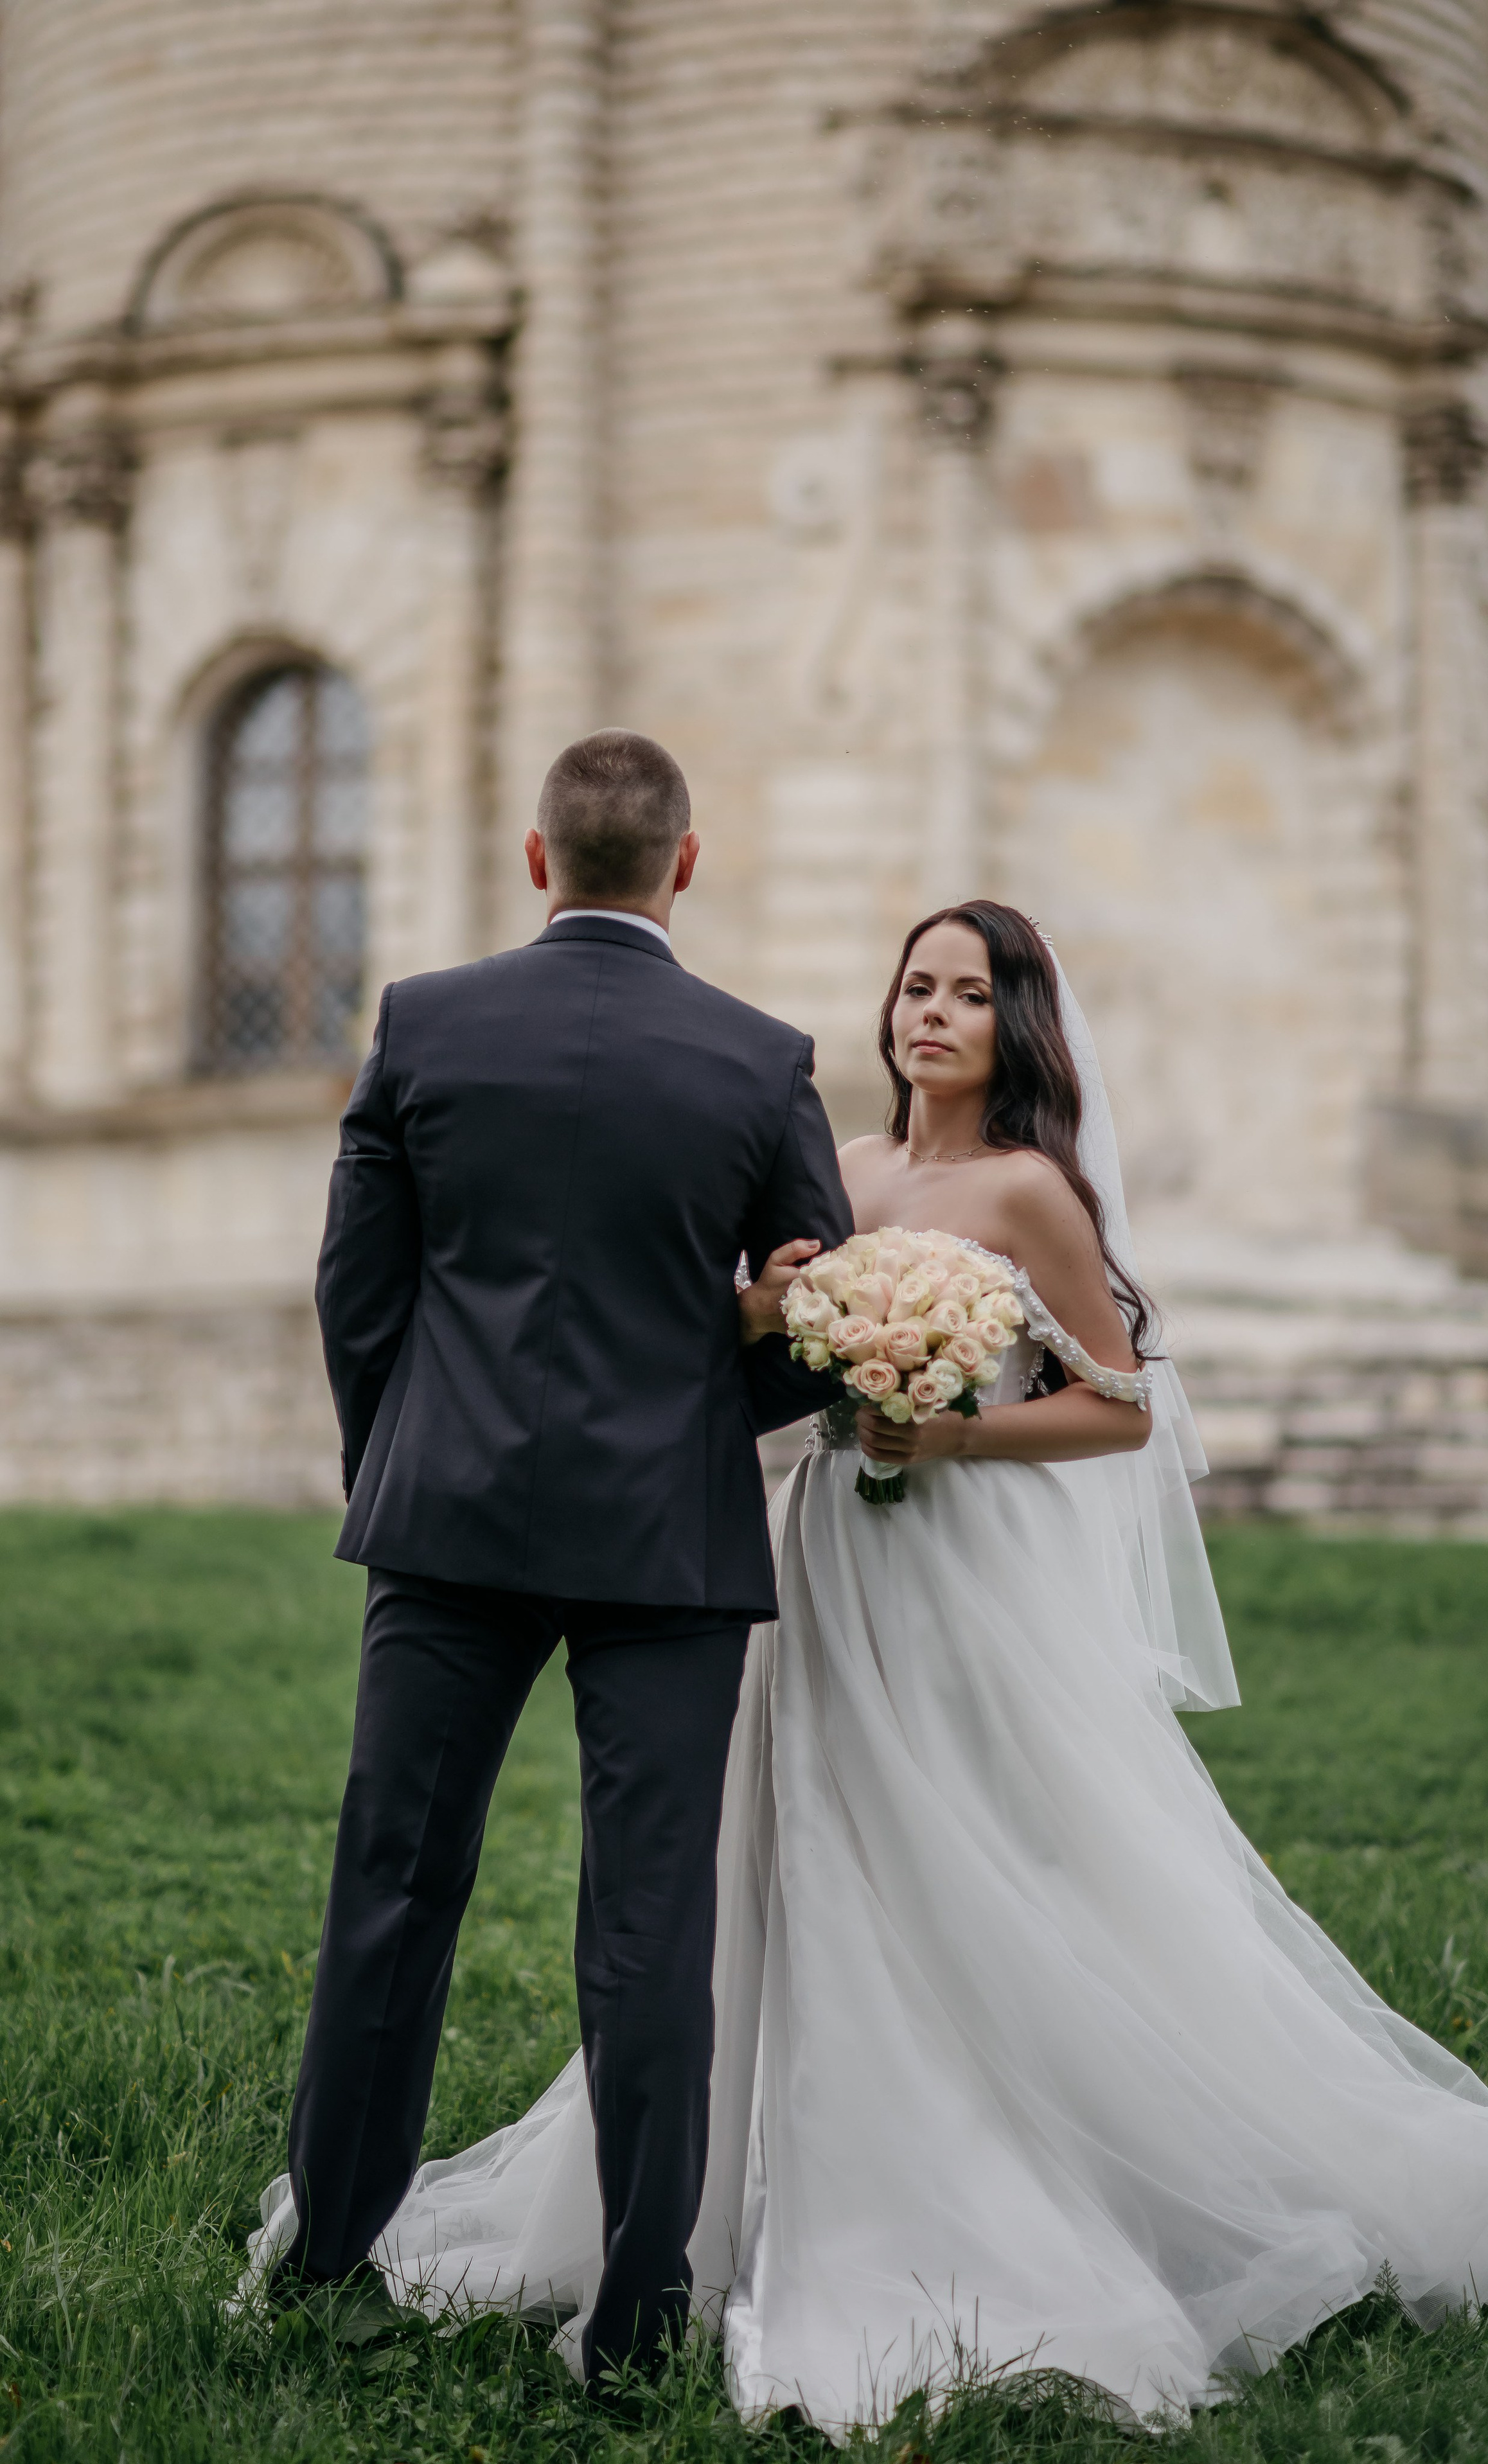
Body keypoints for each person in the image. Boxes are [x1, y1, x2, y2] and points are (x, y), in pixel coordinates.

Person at [248, 898, 1488, 2430]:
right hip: (821, 1548)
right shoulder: (848, 1166)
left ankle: (996, 2165)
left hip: (958, 1569)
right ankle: (740, 2188)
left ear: (1017, 1025)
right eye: (913, 986)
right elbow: (765, 1354)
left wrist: (947, 1426)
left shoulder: (1030, 1194)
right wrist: (773, 1323)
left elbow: (1123, 1407)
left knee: (963, 1851)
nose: (927, 1014)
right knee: (790, 1842)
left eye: (965, 994)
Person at [254, 730, 853, 2385]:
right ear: (685, 862)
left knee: (393, 1889)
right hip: (669, 1544)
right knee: (648, 1922)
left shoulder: (426, 1024)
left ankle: (326, 2264)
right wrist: (693, 1397)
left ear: (537, 861)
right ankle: (643, 2312)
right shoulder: (758, 1060)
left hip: (442, 1525)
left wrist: (406, 1452)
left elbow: (356, 1289)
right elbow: (826, 1325)